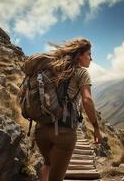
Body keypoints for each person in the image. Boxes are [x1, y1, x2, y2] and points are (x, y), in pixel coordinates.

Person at [34, 37, 102, 181]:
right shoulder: (81, 73)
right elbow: (87, 100)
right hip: (63, 132)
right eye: (89, 54)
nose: (91, 58)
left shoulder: (52, 68)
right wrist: (96, 127)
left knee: (47, 163)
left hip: (41, 129)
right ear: (79, 55)